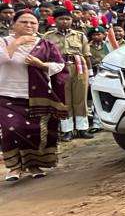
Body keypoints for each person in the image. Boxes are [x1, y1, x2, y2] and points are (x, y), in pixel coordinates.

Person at [0, 10, 68, 181]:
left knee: (36, 131)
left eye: (33, 23)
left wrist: (42, 64)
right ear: (13, 24)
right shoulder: (3, 42)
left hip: (38, 95)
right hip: (7, 94)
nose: (29, 26)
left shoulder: (45, 44)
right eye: (24, 22)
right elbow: (3, 59)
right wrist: (17, 43)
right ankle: (14, 168)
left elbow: (60, 65)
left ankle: (33, 165)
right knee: (11, 129)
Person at [44, 9, 93, 141]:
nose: (65, 21)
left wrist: (91, 73)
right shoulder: (48, 36)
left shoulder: (80, 35)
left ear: (72, 20)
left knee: (80, 98)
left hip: (79, 67)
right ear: (55, 21)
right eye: (61, 19)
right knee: (64, 99)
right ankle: (67, 130)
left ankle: (82, 128)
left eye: (67, 19)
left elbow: (87, 54)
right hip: (59, 68)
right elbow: (45, 56)